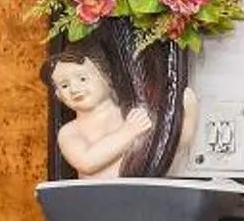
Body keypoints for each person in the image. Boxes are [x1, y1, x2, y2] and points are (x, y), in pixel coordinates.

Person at [44, 44, 158, 179]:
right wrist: (128, 132)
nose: (74, 89)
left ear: (106, 76)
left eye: (82, 79)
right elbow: (87, 162)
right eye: (64, 85)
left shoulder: (130, 115)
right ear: (59, 95)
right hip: (96, 197)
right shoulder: (69, 131)